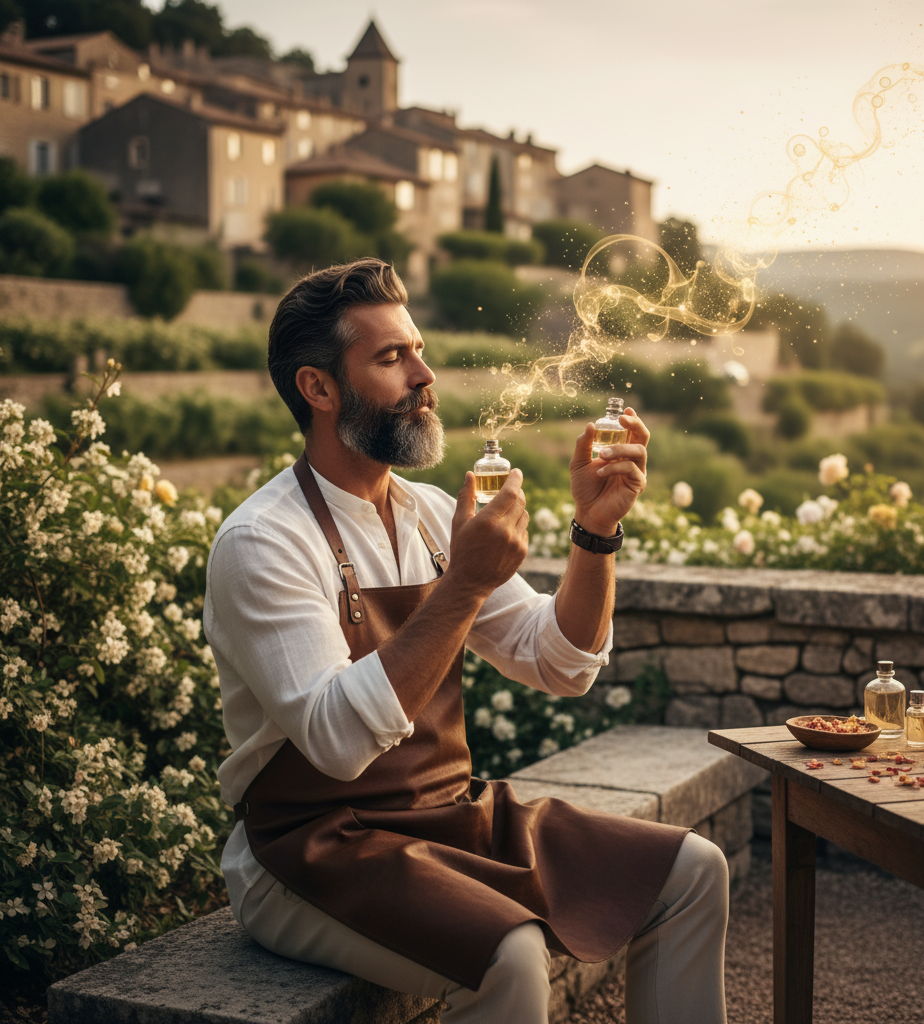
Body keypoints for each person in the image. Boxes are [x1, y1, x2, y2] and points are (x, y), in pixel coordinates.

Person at [204, 258, 729, 1023]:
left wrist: (594, 533)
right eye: (392, 358)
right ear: (318, 388)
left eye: (418, 351)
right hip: (309, 849)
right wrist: (463, 586)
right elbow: (337, 740)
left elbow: (560, 663)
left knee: (691, 869)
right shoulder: (263, 541)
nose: (425, 376)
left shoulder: (428, 515)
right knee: (508, 956)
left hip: (445, 814)